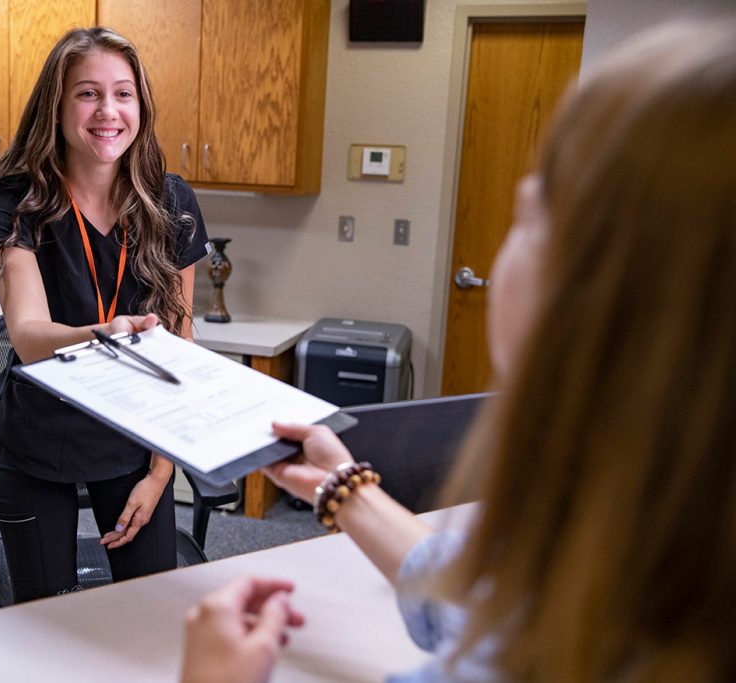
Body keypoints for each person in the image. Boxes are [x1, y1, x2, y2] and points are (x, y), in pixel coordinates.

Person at [181, 15, 736, 682]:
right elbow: (487, 592)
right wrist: (341, 487)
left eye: (529, 214)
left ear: (600, 297)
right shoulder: (649, 546)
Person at [0, 27, 210, 601]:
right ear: (58, 105)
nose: (108, 111)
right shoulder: (19, 201)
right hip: (39, 438)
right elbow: (26, 335)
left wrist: (160, 472)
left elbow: (180, 350)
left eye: (124, 94)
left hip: (133, 439)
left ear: (140, 105)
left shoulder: (171, 202)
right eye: (87, 93)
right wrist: (105, 335)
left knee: (146, 616)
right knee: (47, 621)